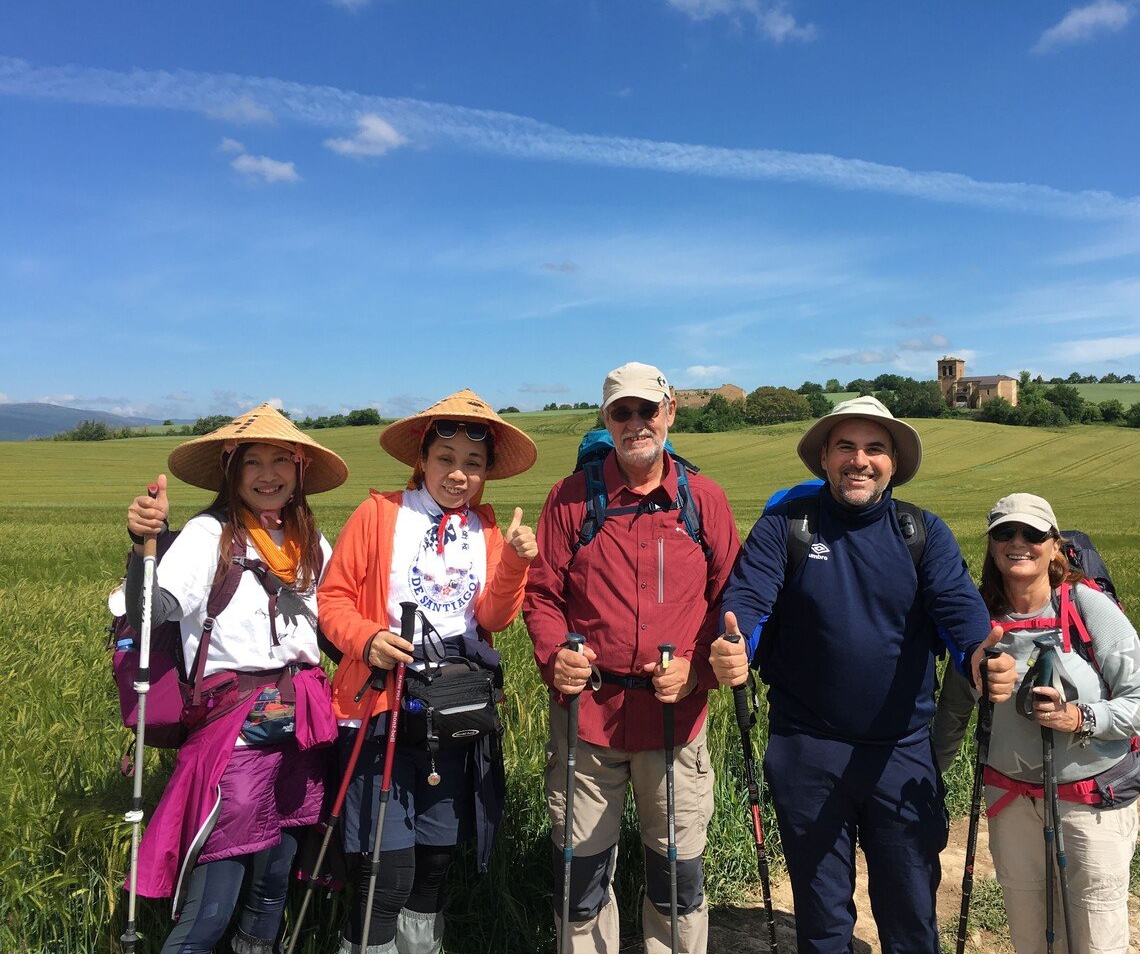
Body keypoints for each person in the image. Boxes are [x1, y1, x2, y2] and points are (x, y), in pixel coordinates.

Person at [709, 396, 1016, 954]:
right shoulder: (787, 525)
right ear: (824, 457)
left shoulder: (922, 533)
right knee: (823, 918)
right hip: (806, 749)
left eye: (875, 449)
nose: (860, 460)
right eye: (846, 447)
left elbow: (959, 611)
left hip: (900, 751)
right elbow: (747, 600)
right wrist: (737, 646)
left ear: (893, 463)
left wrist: (980, 655)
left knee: (911, 913)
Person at [523, 362, 741, 954]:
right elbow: (541, 595)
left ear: (670, 412)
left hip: (677, 724)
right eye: (623, 412)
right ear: (607, 420)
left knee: (678, 883)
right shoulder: (570, 500)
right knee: (582, 885)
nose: (637, 422)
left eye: (649, 410)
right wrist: (553, 656)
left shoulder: (705, 500)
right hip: (587, 723)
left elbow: (732, 599)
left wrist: (697, 664)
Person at [318, 389, 539, 954]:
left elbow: (493, 617)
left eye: (473, 463)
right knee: (385, 873)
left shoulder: (487, 531)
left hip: (455, 717)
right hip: (382, 711)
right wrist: (367, 639)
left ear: (487, 471)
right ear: (422, 460)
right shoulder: (380, 514)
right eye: (446, 459)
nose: (459, 474)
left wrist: (514, 561)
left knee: (436, 865)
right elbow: (334, 598)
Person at [124, 404, 348, 954]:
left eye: (281, 461)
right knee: (216, 895)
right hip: (236, 730)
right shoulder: (208, 535)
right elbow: (149, 612)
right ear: (231, 470)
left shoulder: (310, 542)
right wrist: (140, 546)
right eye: (253, 463)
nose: (268, 475)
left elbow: (336, 631)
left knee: (274, 883)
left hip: (302, 726)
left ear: (299, 470)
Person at [932, 493, 1140, 954]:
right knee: (1030, 937)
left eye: (1033, 534)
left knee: (1096, 941)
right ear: (992, 544)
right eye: (1005, 532)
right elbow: (955, 711)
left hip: (1091, 804)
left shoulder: (1088, 607)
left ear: (1054, 546)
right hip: (1010, 803)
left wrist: (1079, 717)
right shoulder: (975, 618)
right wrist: (925, 778)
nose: (1019, 542)